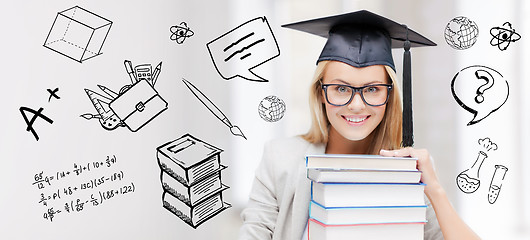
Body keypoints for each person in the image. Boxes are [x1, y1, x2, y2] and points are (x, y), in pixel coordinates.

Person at [238, 10, 480, 240]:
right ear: (320, 92)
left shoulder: (408, 169)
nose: (356, 105)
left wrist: (435, 189)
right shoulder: (280, 159)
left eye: (372, 89)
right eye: (341, 88)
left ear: (390, 96)